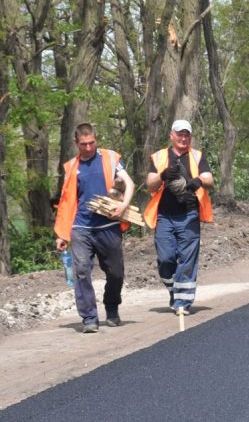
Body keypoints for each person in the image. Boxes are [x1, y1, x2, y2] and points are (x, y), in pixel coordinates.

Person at [53, 123, 136, 333]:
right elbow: (65, 201)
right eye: (83, 144)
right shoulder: (71, 167)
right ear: (76, 143)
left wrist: (123, 206)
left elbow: (130, 183)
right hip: (81, 227)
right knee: (81, 271)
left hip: (109, 224)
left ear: (96, 139)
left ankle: (111, 306)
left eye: (91, 143)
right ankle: (89, 317)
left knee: (116, 273)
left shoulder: (110, 158)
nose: (88, 147)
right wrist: (62, 234)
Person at [145, 119, 215, 316]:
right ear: (171, 135)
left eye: (186, 134)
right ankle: (175, 291)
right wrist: (164, 174)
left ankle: (182, 303)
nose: (183, 138)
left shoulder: (196, 156)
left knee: (187, 259)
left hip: (189, 215)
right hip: (165, 216)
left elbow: (210, 178)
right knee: (165, 259)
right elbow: (150, 185)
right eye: (179, 134)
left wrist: (198, 181)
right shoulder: (159, 157)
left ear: (190, 137)